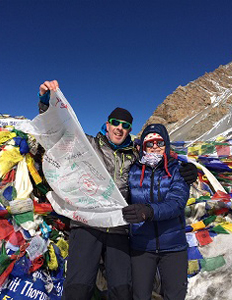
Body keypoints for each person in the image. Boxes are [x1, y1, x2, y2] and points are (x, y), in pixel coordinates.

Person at [38, 80, 197, 300]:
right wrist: (47, 103)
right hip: (87, 225)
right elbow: (58, 135)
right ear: (107, 124)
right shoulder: (88, 145)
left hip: (119, 227)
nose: (119, 128)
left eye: (125, 125)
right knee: (78, 287)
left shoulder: (136, 155)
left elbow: (161, 162)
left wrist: (189, 170)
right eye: (115, 122)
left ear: (130, 129)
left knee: (122, 290)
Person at [123, 123, 190, 300]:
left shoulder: (177, 169)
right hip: (141, 246)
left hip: (173, 246)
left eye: (159, 143)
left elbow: (177, 202)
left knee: (175, 295)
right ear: (143, 146)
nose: (155, 147)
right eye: (150, 143)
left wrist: (148, 211)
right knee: (140, 295)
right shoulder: (132, 171)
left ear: (166, 145)